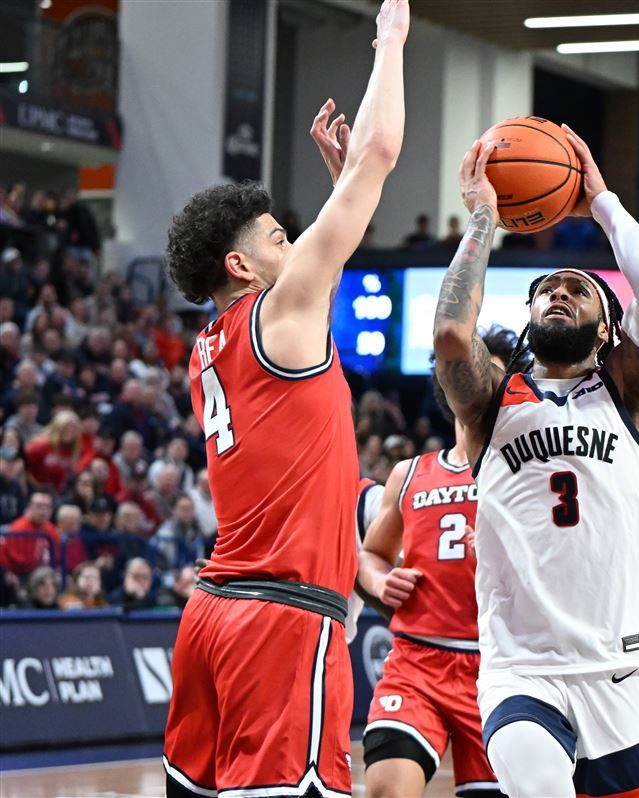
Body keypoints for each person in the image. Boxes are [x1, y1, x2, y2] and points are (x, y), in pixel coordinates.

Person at [161, 4, 407, 795]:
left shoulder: (218, 342)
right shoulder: (280, 313)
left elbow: (319, 273)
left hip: (212, 616)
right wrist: (391, 42)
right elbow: (380, 150)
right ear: (240, 266)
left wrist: (341, 198)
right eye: (277, 238)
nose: (294, 244)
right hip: (281, 620)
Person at [433, 125, 639, 797]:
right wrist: (483, 218)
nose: (560, 292)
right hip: (521, 672)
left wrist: (601, 200)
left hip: (619, 672)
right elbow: (453, 333)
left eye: (579, 289)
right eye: (548, 288)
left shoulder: (628, 391)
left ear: (607, 330)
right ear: (530, 310)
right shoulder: (489, 398)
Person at [357, 329, 514, 798]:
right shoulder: (408, 475)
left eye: (493, 374)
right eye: (467, 370)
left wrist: (504, 552)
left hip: (499, 668)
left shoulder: (528, 478)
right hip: (416, 661)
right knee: (387, 789)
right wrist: (381, 581)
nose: (478, 381)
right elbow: (371, 554)